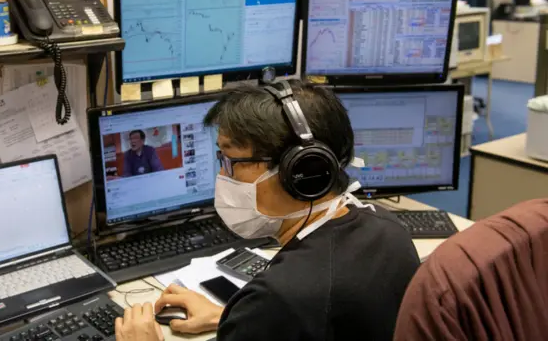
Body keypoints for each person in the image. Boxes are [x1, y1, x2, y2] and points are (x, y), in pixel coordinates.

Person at [115, 81, 420, 341]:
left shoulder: (278, 298)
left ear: (299, 170)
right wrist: (232, 319)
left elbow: (293, 309)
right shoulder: (389, 230)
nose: (223, 177)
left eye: (231, 162)